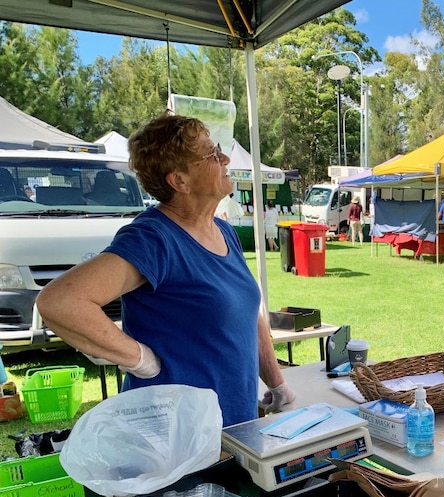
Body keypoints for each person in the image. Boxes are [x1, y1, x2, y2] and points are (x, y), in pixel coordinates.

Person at [35, 113, 296, 427]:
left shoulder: (223, 231)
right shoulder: (154, 239)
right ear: (179, 181)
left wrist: (276, 381)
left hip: (234, 423)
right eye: (212, 154)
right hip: (177, 435)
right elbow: (60, 302)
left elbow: (247, 313)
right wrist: (140, 360)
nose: (224, 157)